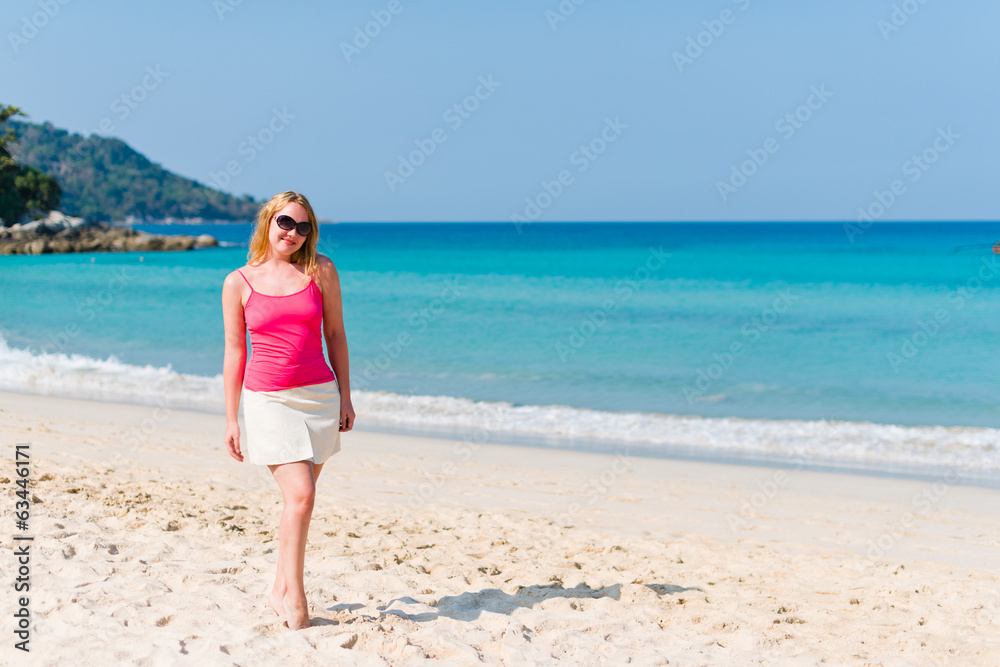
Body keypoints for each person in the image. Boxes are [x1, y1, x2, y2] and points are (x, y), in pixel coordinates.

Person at [221, 190, 355, 630]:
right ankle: (295, 600)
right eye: (285, 223)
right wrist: (231, 417)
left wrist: (346, 396)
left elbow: (335, 334)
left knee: (297, 503)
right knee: (302, 496)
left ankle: (280, 587)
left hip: (319, 396)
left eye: (302, 227)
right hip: (268, 401)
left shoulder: (321, 271)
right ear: (267, 222)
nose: (293, 233)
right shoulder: (238, 281)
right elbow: (235, 351)